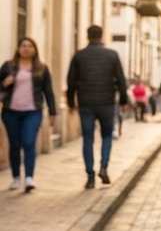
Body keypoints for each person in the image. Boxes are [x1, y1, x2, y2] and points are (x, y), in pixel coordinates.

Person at [67, 25, 128, 189]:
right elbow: (121, 80)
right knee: (107, 136)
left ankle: (90, 176)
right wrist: (123, 100)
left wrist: (71, 102)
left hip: (86, 102)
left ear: (87, 36)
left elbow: (71, 81)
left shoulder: (79, 56)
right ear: (102, 36)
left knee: (88, 138)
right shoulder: (112, 55)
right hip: (107, 102)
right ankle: (103, 167)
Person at [2, 37, 58, 193]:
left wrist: (52, 111)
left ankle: (29, 178)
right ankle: (15, 177)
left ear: (35, 50)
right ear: (18, 49)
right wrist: (5, 83)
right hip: (10, 111)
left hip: (33, 111)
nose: (26, 49)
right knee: (14, 145)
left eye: (30, 46)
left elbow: (48, 91)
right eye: (23, 46)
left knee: (28, 142)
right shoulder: (8, 66)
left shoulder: (42, 68)